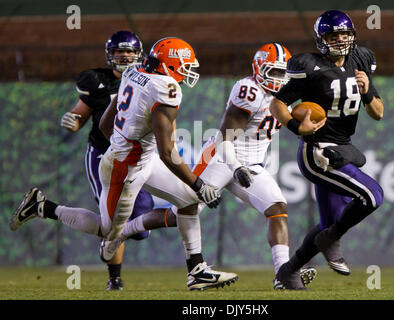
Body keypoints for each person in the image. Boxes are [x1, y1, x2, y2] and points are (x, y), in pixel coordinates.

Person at [10, 37, 237, 291]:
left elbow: (107, 123)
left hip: (141, 159)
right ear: (170, 65)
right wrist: (197, 182)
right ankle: (43, 206)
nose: (188, 71)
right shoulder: (166, 87)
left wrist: (124, 142)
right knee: (109, 232)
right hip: (124, 167)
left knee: (187, 201)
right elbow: (167, 151)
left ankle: (197, 271)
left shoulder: (134, 72)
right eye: (184, 65)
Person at [101, 43, 317, 290]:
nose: (278, 79)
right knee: (178, 213)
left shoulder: (286, 95)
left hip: (252, 164)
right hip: (221, 157)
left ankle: (283, 274)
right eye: (273, 72)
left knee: (277, 208)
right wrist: (235, 167)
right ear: (259, 69)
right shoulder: (250, 91)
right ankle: (123, 231)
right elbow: (225, 138)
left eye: (282, 73)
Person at [269, 10, 384, 287]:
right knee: (372, 196)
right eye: (334, 35)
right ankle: (331, 239)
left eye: (345, 34)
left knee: (328, 223)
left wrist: (367, 91)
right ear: (322, 39)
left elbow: (378, 113)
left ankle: (289, 271)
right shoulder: (309, 66)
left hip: (342, 146)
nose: (341, 40)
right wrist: (297, 128)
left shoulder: (361, 59)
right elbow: (277, 104)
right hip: (317, 150)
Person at [59, 30, 160, 291]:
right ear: (109, 55)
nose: (124, 56)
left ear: (139, 55)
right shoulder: (97, 81)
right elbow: (78, 117)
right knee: (113, 219)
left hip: (134, 157)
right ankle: (114, 279)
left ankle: (43, 208)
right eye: (119, 52)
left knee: (139, 227)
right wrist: (72, 122)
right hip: (103, 154)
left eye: (129, 52)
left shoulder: (147, 79)